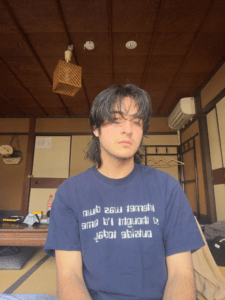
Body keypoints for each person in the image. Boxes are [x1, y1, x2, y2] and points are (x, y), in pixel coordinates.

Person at [44, 84, 205, 300]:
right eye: (116, 119)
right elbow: (69, 276)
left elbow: (181, 274)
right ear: (95, 128)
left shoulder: (167, 187)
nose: (128, 129)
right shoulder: (69, 193)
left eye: (137, 122)